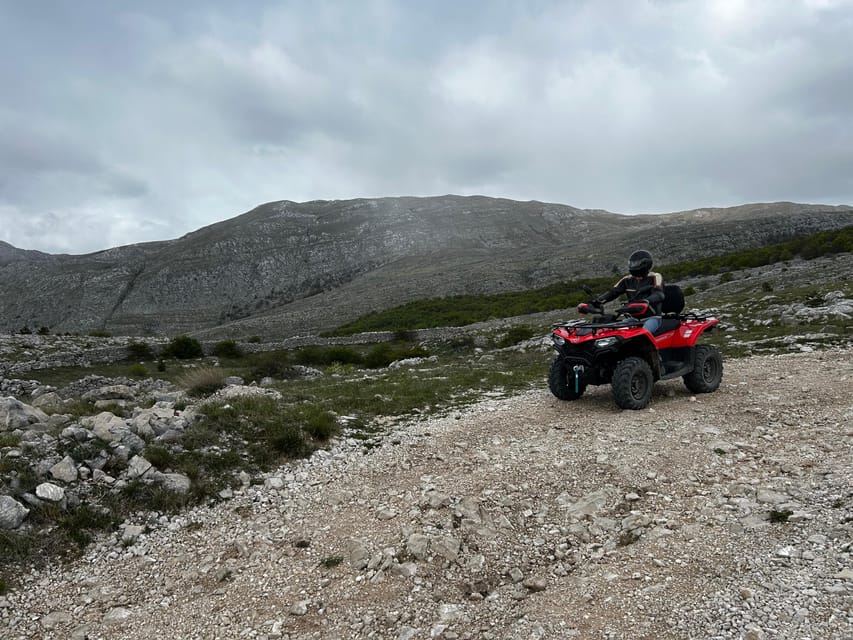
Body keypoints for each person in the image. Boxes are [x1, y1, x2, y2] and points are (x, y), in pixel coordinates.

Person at [596, 250, 665, 334]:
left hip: (652, 318)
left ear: (645, 264)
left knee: (643, 334)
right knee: (612, 332)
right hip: (634, 319)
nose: (633, 266)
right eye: (632, 263)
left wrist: (646, 301)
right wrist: (597, 302)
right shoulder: (627, 280)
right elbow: (613, 292)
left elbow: (659, 294)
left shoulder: (655, 276)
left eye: (636, 263)